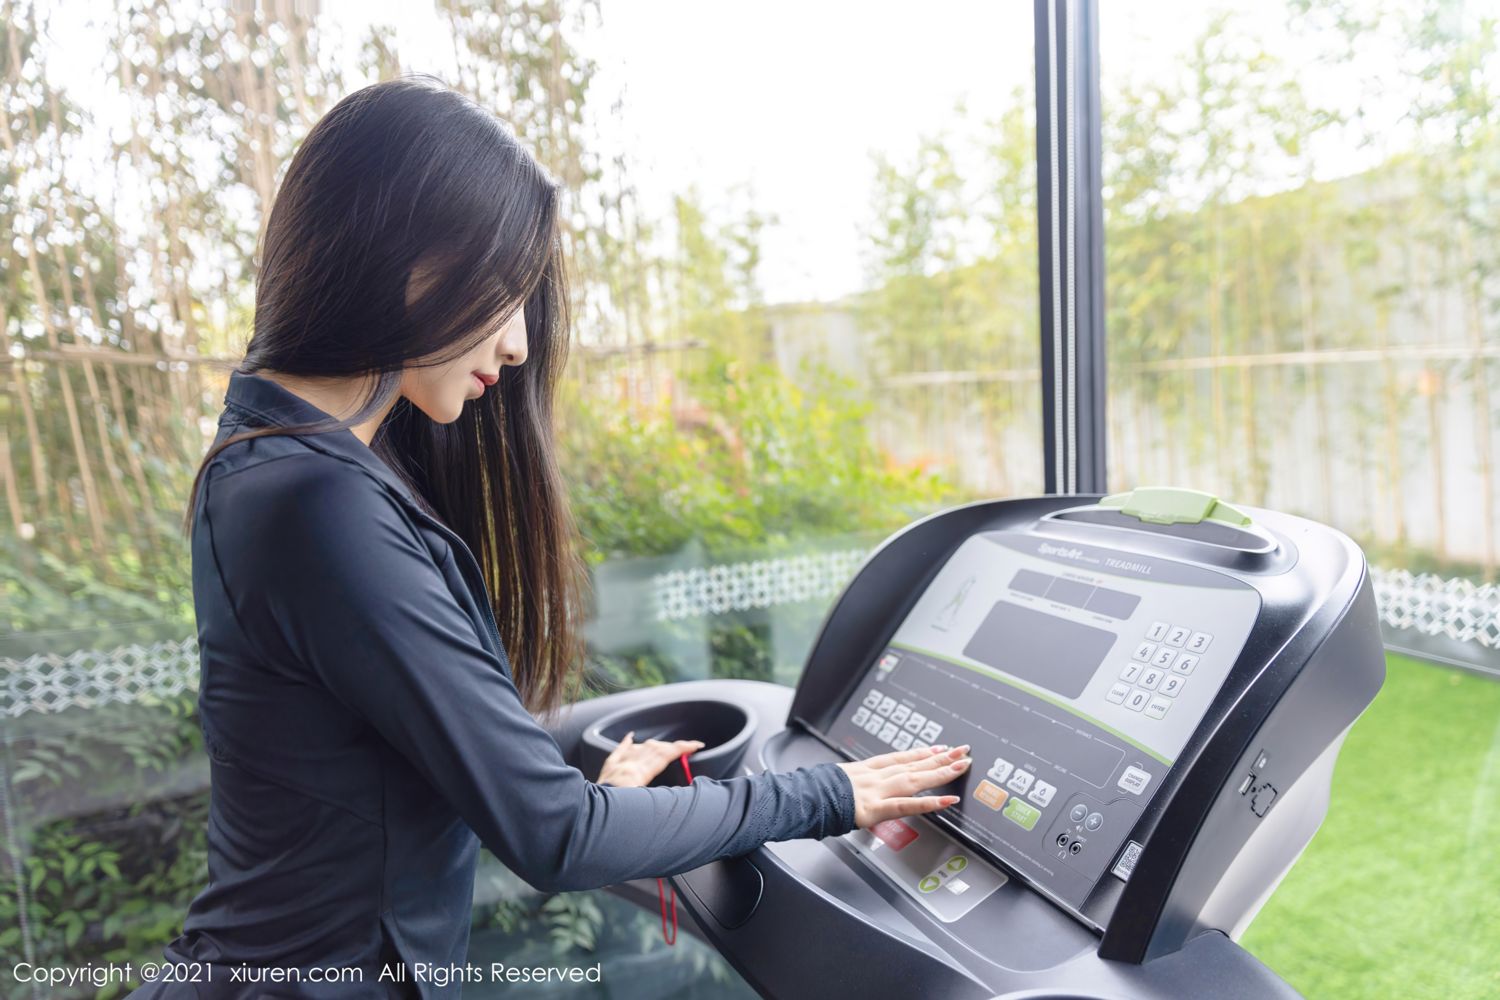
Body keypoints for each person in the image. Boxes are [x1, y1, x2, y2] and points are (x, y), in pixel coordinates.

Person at [128, 75, 971, 998]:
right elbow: (557, 838)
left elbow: (385, 747)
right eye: (505, 291)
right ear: (410, 262)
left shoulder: (264, 457)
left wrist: (578, 782)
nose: (522, 342)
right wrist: (832, 795)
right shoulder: (316, 502)